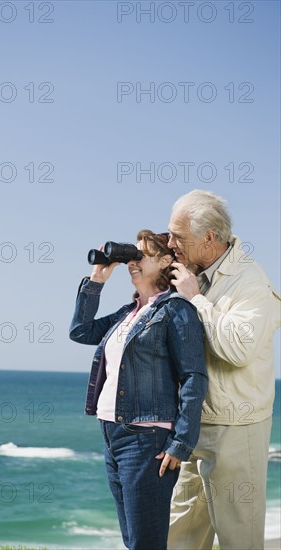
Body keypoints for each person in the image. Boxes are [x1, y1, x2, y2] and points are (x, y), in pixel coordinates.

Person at [69, 230, 208, 550]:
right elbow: (80, 330)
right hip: (111, 434)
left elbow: (194, 376)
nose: (132, 261)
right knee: (133, 539)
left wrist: (181, 442)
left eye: (141, 255)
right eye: (131, 255)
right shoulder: (128, 313)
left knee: (145, 541)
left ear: (164, 261)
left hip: (146, 439)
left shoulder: (176, 309)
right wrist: (97, 280)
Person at [167, 189, 281, 550]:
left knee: (238, 539)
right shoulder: (193, 273)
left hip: (237, 428)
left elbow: (238, 349)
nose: (171, 244)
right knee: (179, 536)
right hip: (193, 425)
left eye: (178, 237)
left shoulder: (251, 281)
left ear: (209, 239)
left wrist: (195, 299)